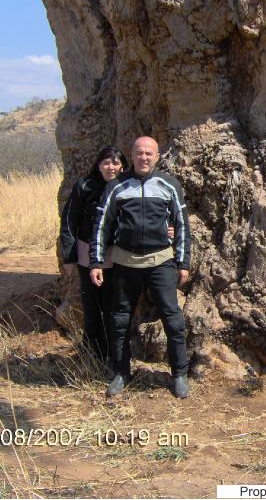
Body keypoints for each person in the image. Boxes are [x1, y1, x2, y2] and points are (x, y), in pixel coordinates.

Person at [89, 136, 192, 398]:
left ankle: (179, 374)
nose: (144, 157)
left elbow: (182, 225)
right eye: (139, 153)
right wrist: (96, 261)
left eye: (149, 153)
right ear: (131, 156)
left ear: (157, 157)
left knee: (173, 319)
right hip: (125, 263)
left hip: (161, 262)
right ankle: (121, 373)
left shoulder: (169, 185)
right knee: (120, 320)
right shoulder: (116, 186)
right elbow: (101, 225)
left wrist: (183, 262)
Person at [59, 146, 128, 364]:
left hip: (116, 254)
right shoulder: (85, 186)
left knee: (113, 306)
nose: (111, 167)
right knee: (91, 305)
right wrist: (68, 258)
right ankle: (91, 354)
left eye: (116, 163)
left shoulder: (126, 187)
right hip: (87, 253)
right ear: (98, 165)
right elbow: (69, 221)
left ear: (123, 166)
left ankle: (113, 355)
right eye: (106, 162)